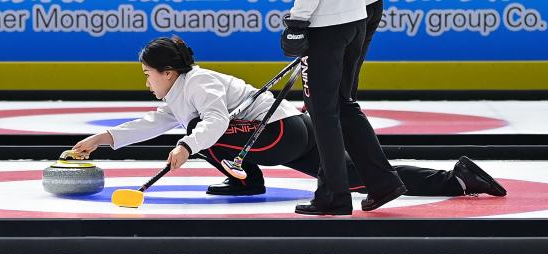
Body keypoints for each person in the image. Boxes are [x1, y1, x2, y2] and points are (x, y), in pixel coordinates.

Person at [73, 36, 506, 207]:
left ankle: (248, 181)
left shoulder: (199, 83)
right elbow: (152, 122)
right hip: (289, 132)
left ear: (168, 72)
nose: (147, 82)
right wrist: (101, 139)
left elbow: (216, 121)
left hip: (279, 133)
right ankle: (458, 180)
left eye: (148, 74)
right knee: (356, 179)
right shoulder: (179, 93)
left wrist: (187, 146)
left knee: (198, 133)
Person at [279, 0, 406, 214]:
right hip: (356, 18)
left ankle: (334, 196)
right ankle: (383, 183)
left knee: (323, 112)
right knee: (342, 103)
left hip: (326, 25)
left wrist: (297, 21)